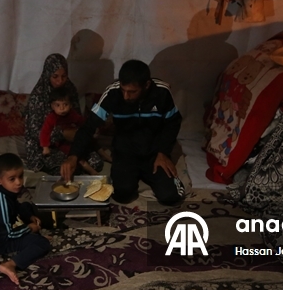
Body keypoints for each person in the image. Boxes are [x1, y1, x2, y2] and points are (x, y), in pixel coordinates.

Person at [62, 60, 184, 206]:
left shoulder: (161, 92)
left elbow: (173, 122)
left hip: (153, 153)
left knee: (171, 196)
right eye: (123, 90)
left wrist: (163, 152)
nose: (126, 96)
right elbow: (88, 127)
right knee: (122, 195)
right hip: (125, 152)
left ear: (146, 85)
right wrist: (73, 156)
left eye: (132, 92)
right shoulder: (113, 93)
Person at [24, 53, 103, 175]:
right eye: (55, 76)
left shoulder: (69, 89)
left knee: (95, 162)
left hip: (69, 143)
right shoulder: (38, 95)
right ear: (47, 74)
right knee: (64, 168)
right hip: (46, 145)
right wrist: (62, 133)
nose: (60, 81)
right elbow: (35, 131)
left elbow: (76, 117)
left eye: (64, 76)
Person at [0, 153, 52, 286]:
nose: (19, 182)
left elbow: (17, 207)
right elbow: (7, 234)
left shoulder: (4, 192)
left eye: (20, 176)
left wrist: (30, 217)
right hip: (0, 241)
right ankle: (10, 264)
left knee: (26, 206)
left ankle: (31, 232)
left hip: (3, 227)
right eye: (12, 179)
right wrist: (30, 228)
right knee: (42, 244)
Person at [40, 87, 98, 174]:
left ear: (70, 105)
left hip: (74, 141)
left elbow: (82, 122)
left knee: (90, 146)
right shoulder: (51, 118)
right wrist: (45, 147)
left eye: (65, 104)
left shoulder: (72, 114)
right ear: (52, 106)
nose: (62, 108)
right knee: (77, 159)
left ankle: (105, 158)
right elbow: (45, 132)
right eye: (58, 105)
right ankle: (93, 172)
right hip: (61, 145)